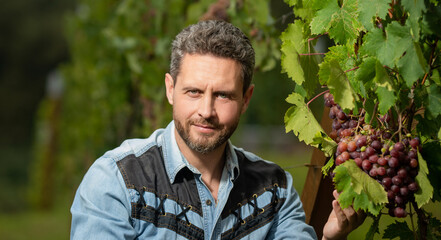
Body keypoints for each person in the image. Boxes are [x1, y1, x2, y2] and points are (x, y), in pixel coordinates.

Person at [70, 20, 365, 239]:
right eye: (194, 92)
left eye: (223, 95)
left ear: (245, 99)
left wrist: (329, 238)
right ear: (170, 90)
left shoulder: (275, 189)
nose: (207, 111)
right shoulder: (116, 180)